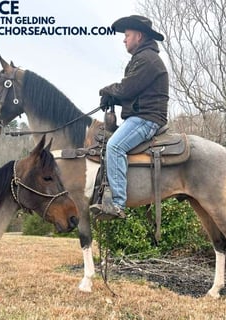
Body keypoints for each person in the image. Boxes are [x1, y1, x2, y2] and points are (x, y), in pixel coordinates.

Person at [90, 15, 169, 219]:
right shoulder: (142, 58)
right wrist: (111, 98)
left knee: (114, 146)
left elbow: (126, 89)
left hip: (147, 118)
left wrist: (107, 91)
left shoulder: (147, 59)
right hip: (142, 115)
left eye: (127, 35)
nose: (124, 39)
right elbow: (133, 93)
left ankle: (117, 204)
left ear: (139, 36)